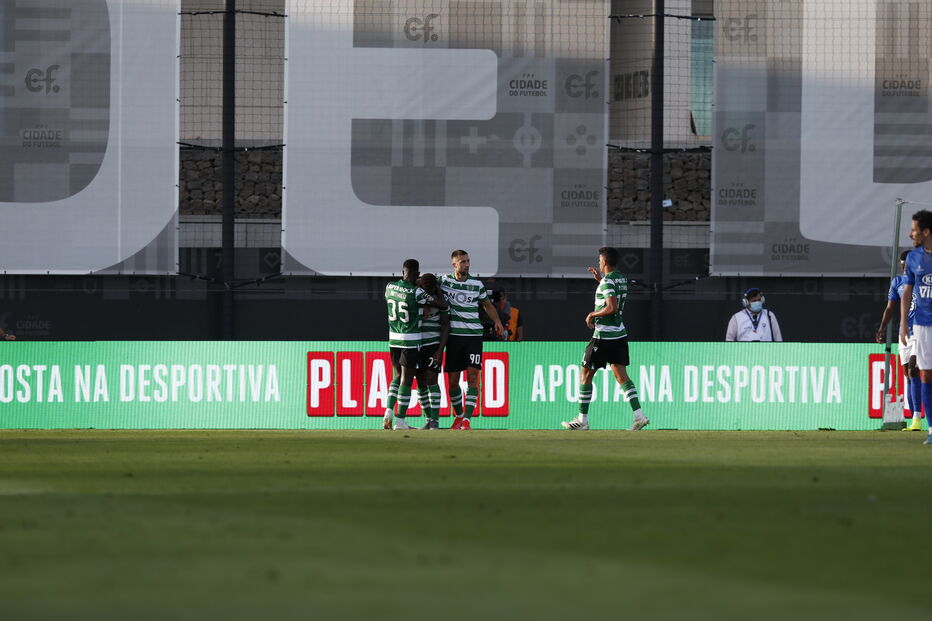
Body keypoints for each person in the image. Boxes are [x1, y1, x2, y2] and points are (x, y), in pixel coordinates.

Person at [562, 246, 648, 431]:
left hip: (603, 336)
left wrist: (592, 314)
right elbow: (612, 292)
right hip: (619, 334)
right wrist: (600, 281)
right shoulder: (620, 279)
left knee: (585, 375)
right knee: (622, 377)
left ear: (606, 262)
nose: (599, 263)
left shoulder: (607, 282)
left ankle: (582, 420)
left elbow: (611, 307)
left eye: (600, 260)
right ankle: (639, 416)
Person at [440, 250, 504, 430]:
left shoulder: (476, 285)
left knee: (473, 376)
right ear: (454, 265)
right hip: (453, 337)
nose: (467, 265)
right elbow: (428, 287)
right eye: (462, 262)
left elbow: (487, 305)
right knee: (453, 380)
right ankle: (459, 416)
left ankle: (467, 419)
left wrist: (497, 321)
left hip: (474, 336)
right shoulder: (444, 281)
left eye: (468, 261)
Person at [382, 259, 446, 430]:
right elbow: (441, 305)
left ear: (402, 271)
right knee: (407, 381)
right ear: (417, 274)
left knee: (396, 376)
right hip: (410, 340)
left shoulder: (389, 287)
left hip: (393, 339)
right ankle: (400, 421)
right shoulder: (417, 292)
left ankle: (388, 410)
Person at [876, 249, 922, 431]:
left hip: (921, 331)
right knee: (908, 376)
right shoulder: (897, 282)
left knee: (913, 370)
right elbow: (889, 308)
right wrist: (881, 327)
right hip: (904, 334)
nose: (905, 266)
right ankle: (914, 418)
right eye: (903, 263)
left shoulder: (923, 280)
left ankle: (917, 418)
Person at [899, 209, 932, 445]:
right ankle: (931, 430)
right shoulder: (913, 258)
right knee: (926, 374)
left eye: (914, 230)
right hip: (922, 325)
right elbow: (907, 292)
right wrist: (903, 323)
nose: (911, 234)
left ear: (926, 231)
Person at [414, 273, 450, 430]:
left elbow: (445, 325)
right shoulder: (416, 296)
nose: (427, 290)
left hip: (433, 344)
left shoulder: (442, 301)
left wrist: (440, 349)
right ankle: (428, 419)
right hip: (416, 344)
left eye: (430, 287)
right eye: (425, 287)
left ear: (435, 287)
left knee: (431, 379)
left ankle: (435, 420)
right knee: (420, 382)